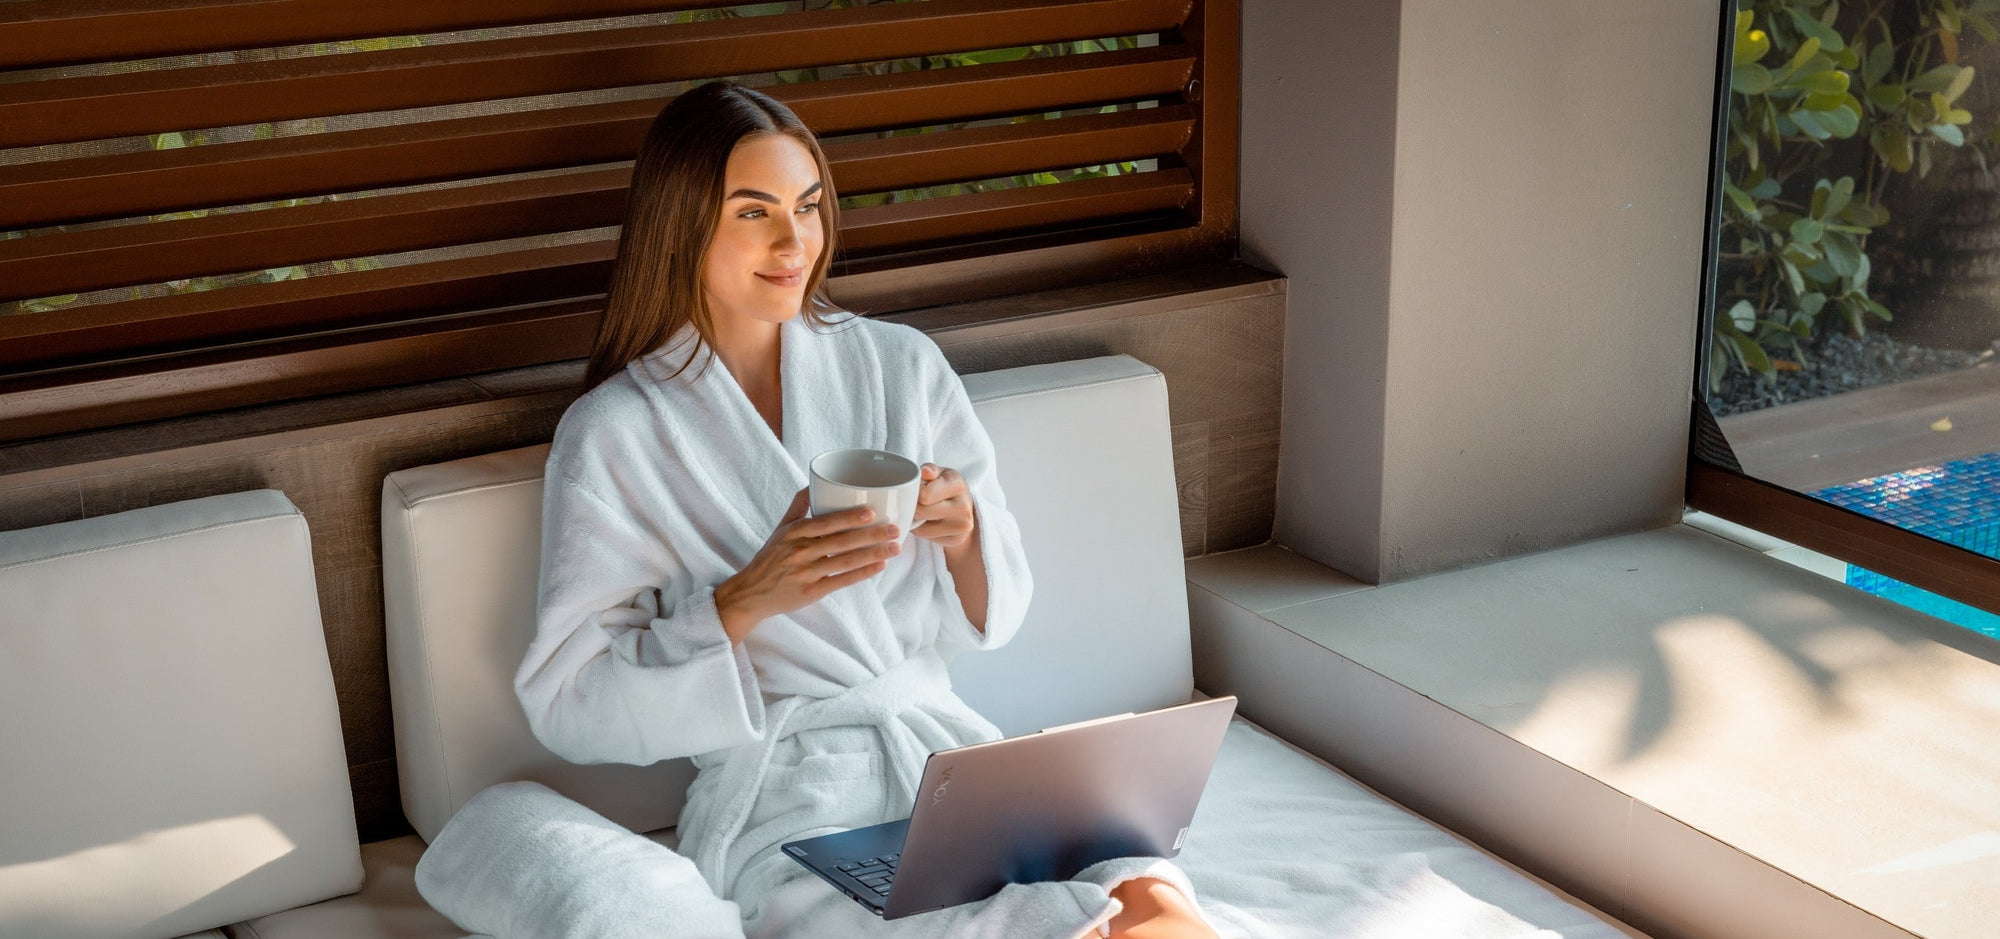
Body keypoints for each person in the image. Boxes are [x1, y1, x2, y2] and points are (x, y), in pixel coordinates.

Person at [514, 81, 1219, 939]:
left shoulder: (900, 366)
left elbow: (1000, 600)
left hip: (950, 760)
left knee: (1145, 890)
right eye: (754, 212)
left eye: (808, 207)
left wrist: (965, 539)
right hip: (788, 799)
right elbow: (569, 698)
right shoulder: (614, 435)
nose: (794, 241)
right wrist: (743, 601)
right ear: (680, 222)